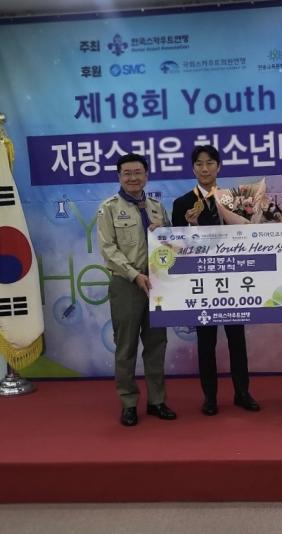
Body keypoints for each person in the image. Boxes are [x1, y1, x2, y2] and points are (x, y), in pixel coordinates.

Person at [172, 145, 260, 416]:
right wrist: (191, 226)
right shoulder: (182, 204)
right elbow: (175, 247)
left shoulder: (236, 200)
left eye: (210, 163)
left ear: (219, 167)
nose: (205, 168)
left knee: (237, 340)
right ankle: (210, 397)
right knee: (206, 343)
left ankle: (242, 393)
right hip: (201, 284)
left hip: (232, 280)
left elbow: (248, 236)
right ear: (193, 168)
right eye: (199, 164)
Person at [97, 153, 177, 426]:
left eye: (138, 172)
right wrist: (134, 276)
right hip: (127, 284)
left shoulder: (156, 207)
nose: (133, 178)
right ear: (119, 176)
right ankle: (129, 403)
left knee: (157, 344)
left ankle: (157, 401)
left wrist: (164, 232)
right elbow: (108, 250)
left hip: (156, 284)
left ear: (146, 175)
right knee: (126, 346)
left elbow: (171, 244)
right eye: (127, 173)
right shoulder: (108, 208)